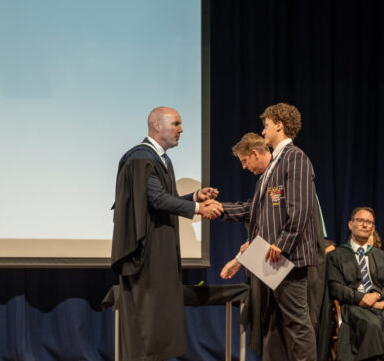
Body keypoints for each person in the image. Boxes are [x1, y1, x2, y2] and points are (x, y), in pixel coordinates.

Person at [110, 106, 223, 361]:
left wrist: (194, 197)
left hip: (159, 254)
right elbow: (157, 200)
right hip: (145, 256)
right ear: (157, 126)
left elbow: (163, 199)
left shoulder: (161, 159)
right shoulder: (140, 158)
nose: (181, 130)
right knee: (146, 321)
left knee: (159, 319)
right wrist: (199, 208)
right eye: (176, 124)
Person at [221, 104, 320, 361]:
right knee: (274, 324)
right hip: (272, 258)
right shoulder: (275, 165)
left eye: (266, 125)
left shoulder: (295, 158)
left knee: (297, 324)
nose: (263, 131)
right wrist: (219, 209)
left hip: (288, 257)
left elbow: (301, 206)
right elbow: (257, 211)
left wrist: (283, 243)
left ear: (279, 125)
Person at [327, 207, 384, 361]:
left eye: (369, 222)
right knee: (372, 325)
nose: (365, 225)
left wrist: (376, 296)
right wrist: (363, 299)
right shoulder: (335, 256)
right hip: (353, 305)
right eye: (360, 220)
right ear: (350, 225)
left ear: (373, 228)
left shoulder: (383, 256)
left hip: (381, 303)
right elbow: (335, 287)